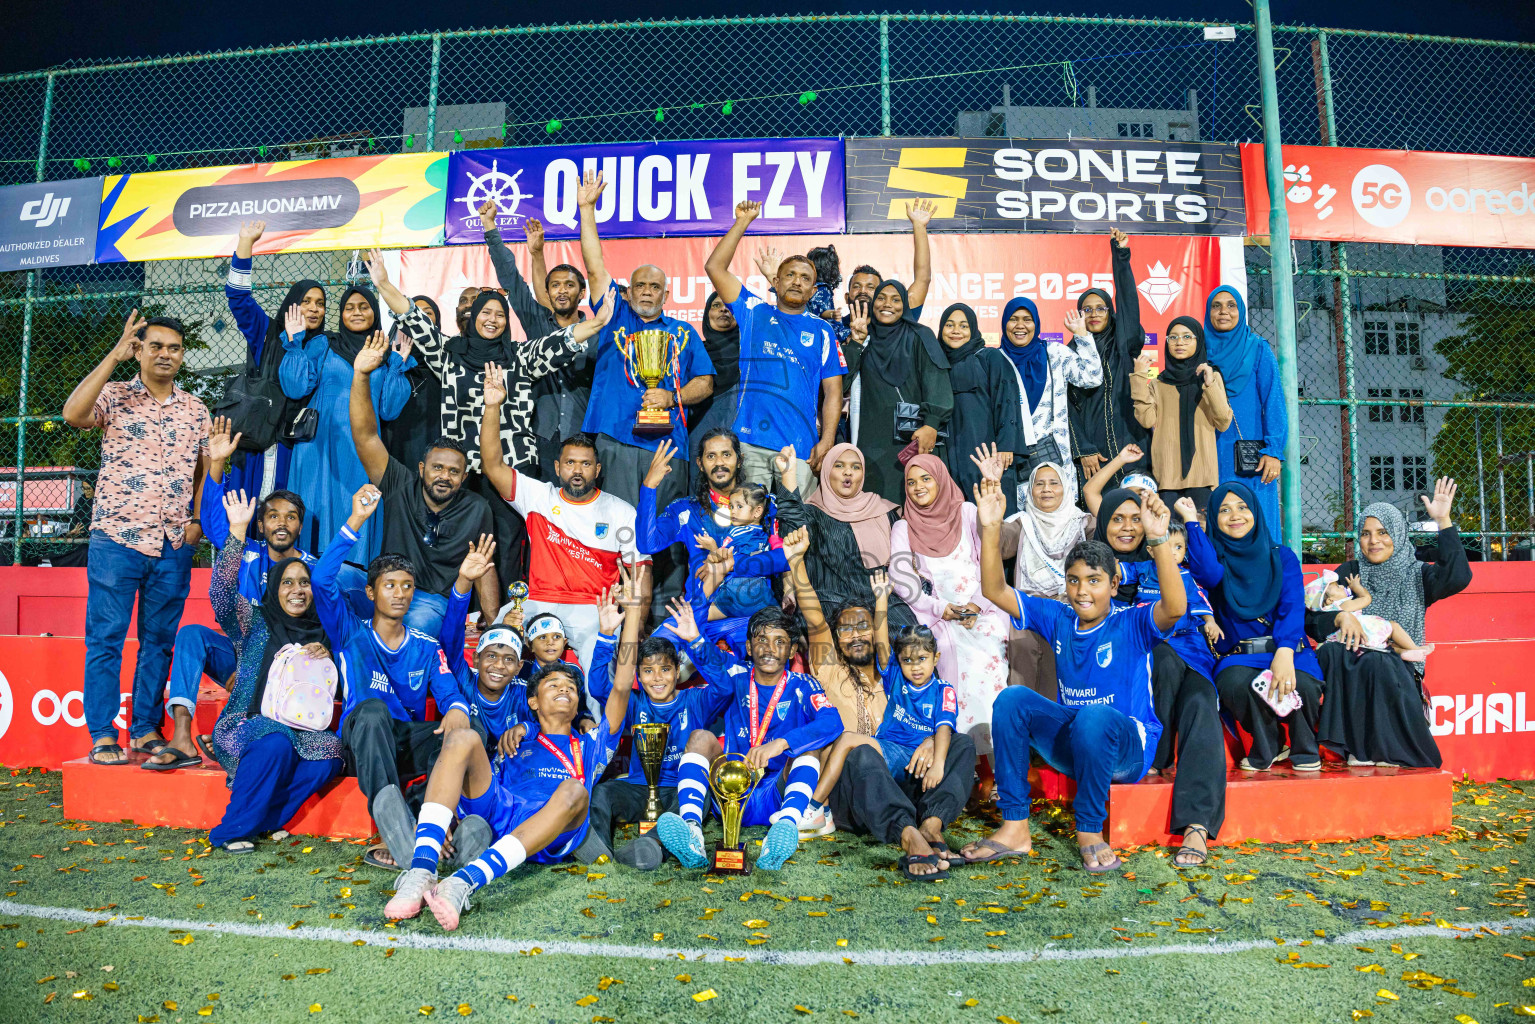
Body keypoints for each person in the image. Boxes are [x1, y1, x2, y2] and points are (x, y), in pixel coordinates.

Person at [384, 567, 643, 931]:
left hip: (552, 825)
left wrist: (632, 615)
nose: (564, 690)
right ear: (532, 701)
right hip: (501, 808)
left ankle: (464, 881)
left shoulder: (591, 743)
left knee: (574, 791)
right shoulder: (515, 735)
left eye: (571, 688)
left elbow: (622, 685)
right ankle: (422, 870)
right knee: (463, 738)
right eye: (553, 685)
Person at [970, 479, 1184, 872]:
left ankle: (1089, 828)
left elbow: (1174, 608)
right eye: (1074, 580)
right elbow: (994, 590)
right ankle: (1015, 826)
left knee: (1093, 716)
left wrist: (1158, 542)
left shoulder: (1132, 622)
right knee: (1012, 700)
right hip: (1075, 742)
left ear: (1114, 584)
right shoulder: (1059, 618)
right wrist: (990, 527)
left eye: (1094, 580)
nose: (1082, 591)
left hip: (1127, 751)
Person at [61, 310, 209, 767]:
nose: (166, 354)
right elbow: (73, 414)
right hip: (117, 538)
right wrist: (114, 355)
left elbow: (204, 469)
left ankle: (144, 729)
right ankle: (103, 733)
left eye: (174, 348)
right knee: (105, 640)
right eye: (156, 346)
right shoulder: (114, 394)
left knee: (159, 642)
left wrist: (196, 521)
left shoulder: (195, 409)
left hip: (172, 543)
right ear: (140, 350)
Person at [790, 531, 974, 877]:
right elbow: (814, 618)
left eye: (863, 626)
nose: (857, 634)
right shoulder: (830, 668)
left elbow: (936, 717)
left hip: (903, 780)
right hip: (855, 792)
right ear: (835, 640)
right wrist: (797, 561)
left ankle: (931, 825)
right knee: (862, 752)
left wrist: (933, 740)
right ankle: (908, 837)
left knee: (961, 743)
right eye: (845, 629)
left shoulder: (899, 675)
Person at [316, 484, 475, 871]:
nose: (400, 593)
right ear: (371, 593)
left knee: (467, 734)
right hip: (363, 742)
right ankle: (396, 831)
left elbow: (448, 689)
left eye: (407, 586)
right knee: (373, 711)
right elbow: (321, 580)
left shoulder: (425, 645)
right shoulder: (350, 632)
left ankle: (428, 816)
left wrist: (457, 708)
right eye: (390, 586)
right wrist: (355, 521)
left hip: (402, 741)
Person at [479, 362, 650, 673]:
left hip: (592, 608)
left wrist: (636, 627)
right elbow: (492, 465)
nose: (577, 470)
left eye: (585, 464)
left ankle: (598, 707)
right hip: (537, 602)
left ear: (597, 470)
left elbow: (640, 571)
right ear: (557, 468)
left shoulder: (621, 511)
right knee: (496, 641)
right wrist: (492, 407)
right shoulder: (537, 496)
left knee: (600, 674)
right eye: (570, 463)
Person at [652, 607, 844, 872]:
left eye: (780, 642)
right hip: (729, 790)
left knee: (807, 750)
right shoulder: (737, 675)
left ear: (791, 651)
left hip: (776, 794)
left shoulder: (803, 684)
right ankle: (692, 832)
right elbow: (714, 661)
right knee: (700, 738)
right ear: (749, 647)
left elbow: (832, 721)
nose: (769, 649)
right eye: (761, 640)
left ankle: (783, 829)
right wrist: (695, 639)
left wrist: (781, 743)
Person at [204, 490, 343, 851]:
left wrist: (328, 652)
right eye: (287, 582)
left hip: (299, 729)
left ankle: (267, 819)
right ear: (275, 587)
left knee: (331, 752)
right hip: (245, 724)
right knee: (276, 743)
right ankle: (231, 831)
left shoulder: (322, 632)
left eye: (304, 583)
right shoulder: (255, 621)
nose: (297, 590)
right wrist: (237, 531)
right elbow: (221, 595)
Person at [575, 170, 713, 507]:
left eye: (654, 287)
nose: (647, 291)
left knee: (664, 530)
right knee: (616, 527)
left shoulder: (683, 332)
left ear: (666, 295)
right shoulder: (614, 316)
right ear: (629, 291)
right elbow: (594, 267)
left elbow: (705, 383)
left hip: (668, 444)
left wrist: (672, 396)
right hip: (616, 438)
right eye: (640, 285)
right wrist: (587, 210)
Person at [346, 331, 498, 636]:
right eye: (437, 468)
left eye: (453, 472)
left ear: (464, 477)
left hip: (430, 601)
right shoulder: (400, 484)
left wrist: (496, 628)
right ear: (421, 468)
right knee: (334, 578)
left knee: (414, 626)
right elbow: (366, 436)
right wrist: (361, 375)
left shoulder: (476, 508)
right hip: (385, 587)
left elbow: (483, 565)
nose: (444, 476)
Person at [1308, 482, 1470, 768]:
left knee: (1377, 661)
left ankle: (1378, 749)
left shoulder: (1417, 574)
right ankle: (1355, 746)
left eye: (1383, 532)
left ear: (1398, 533)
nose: (1374, 541)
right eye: (1365, 534)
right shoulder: (1350, 573)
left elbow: (1457, 577)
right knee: (1332, 651)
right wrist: (1339, 617)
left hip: (1396, 662)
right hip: (1350, 659)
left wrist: (1443, 522)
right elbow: (1311, 619)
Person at [580, 596, 735, 869]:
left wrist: (696, 641)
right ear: (638, 676)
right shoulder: (634, 703)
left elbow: (724, 687)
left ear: (677, 672)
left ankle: (651, 846)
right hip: (639, 788)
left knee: (695, 800)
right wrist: (605, 636)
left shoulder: (694, 700)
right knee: (603, 792)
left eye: (665, 669)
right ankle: (598, 847)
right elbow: (599, 687)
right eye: (648, 671)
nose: (658, 678)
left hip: (679, 789)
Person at [704, 200, 844, 498]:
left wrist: (827, 439)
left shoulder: (823, 331)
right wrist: (742, 222)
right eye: (790, 275)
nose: (797, 282)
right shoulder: (753, 312)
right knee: (747, 519)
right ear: (776, 282)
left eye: (805, 278)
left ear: (813, 291)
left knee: (796, 522)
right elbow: (714, 267)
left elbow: (833, 392)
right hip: (750, 443)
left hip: (800, 447)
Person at [1187, 481, 1323, 773]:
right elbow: (1205, 573)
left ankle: (1305, 748)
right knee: (1235, 683)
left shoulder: (1282, 556)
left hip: (1288, 649)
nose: (1235, 515)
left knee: (1303, 685)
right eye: (1224, 510)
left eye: (1242, 507)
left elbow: (1292, 606)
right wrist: (1192, 525)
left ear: (1256, 512)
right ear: (1214, 518)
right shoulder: (1216, 561)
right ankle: (1269, 746)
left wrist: (1285, 651)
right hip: (1240, 656)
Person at [279, 281, 414, 562]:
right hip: (320, 448)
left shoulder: (385, 353)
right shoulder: (324, 345)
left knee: (356, 511)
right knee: (316, 508)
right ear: (341, 314)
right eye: (349, 308)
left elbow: (389, 410)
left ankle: (353, 577)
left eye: (364, 307)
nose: (356, 312)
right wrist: (295, 343)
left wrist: (397, 365)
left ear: (374, 312)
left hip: (361, 450)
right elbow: (295, 388)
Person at [889, 455, 1009, 767]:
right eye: (911, 482)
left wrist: (976, 604)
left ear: (941, 479)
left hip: (982, 606)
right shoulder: (903, 526)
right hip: (937, 615)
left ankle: (998, 764)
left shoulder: (966, 512)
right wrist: (941, 609)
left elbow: (990, 560)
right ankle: (964, 762)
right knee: (946, 650)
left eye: (926, 479)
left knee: (990, 651)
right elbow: (902, 581)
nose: (918, 487)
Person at [483, 209, 596, 481]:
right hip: (540, 437)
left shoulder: (596, 334)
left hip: (585, 437)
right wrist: (490, 229)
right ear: (547, 292)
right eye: (555, 285)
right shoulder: (538, 325)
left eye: (569, 285)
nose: (561, 290)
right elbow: (510, 278)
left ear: (582, 292)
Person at [773, 443, 917, 630]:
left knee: (911, 637)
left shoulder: (883, 510)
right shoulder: (812, 513)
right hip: (831, 602)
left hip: (881, 599)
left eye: (856, 467)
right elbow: (791, 531)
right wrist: (788, 474)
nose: (848, 472)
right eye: (839, 465)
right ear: (826, 471)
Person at [221, 220, 318, 497]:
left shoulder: (323, 345)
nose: (314, 309)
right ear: (292, 303)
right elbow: (238, 298)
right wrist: (245, 244)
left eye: (320, 303)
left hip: (303, 447)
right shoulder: (268, 332)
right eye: (306, 301)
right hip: (261, 443)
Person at [991, 456, 1094, 697]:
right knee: (1024, 667)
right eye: (1039, 483)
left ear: (1066, 488)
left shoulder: (1084, 523)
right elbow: (999, 546)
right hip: (1028, 607)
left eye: (1054, 483)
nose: (1046, 489)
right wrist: (992, 519)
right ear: (1030, 490)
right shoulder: (1022, 523)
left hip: (1070, 606)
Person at [843, 280, 953, 502]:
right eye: (881, 298)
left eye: (896, 300)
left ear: (905, 304)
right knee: (876, 504)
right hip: (872, 443)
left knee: (916, 502)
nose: (887, 304)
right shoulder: (864, 337)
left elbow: (936, 380)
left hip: (913, 438)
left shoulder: (920, 336)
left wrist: (931, 424)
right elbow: (842, 384)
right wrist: (855, 343)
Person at [997, 297, 1103, 503]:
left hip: (1054, 459)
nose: (1020, 325)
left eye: (1027, 319)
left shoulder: (1055, 353)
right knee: (1017, 520)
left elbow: (1091, 377)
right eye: (1013, 319)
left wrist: (1082, 335)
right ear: (1004, 323)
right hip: (1010, 464)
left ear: (1036, 323)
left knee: (1056, 517)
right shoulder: (995, 359)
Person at [1067, 228, 1151, 488]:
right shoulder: (1070, 354)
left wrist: (1121, 255)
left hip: (1132, 445)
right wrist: (1083, 448)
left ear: (1110, 312)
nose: (1094, 314)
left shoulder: (1124, 343)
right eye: (1087, 309)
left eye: (1101, 308)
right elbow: (1066, 408)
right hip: (1094, 454)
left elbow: (1128, 301)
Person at [1205, 287, 1286, 544]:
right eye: (1216, 306)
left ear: (1241, 311)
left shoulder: (1258, 348)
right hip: (1209, 454)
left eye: (1231, 305)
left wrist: (1273, 451)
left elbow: (1273, 401)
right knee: (1215, 523)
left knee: (1258, 524)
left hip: (1252, 457)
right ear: (1208, 312)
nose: (1224, 312)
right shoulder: (1199, 351)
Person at [1131, 316, 1231, 519]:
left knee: (1201, 533)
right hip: (1167, 478)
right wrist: (1140, 378)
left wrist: (1210, 385)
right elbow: (1146, 420)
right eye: (1173, 337)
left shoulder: (1210, 377)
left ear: (1198, 341)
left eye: (1187, 337)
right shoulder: (1158, 383)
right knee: (1169, 534)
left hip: (1202, 477)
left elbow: (1223, 422)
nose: (1179, 342)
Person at [938, 303, 1026, 516]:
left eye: (963, 326)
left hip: (988, 451)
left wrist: (1007, 444)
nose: (956, 331)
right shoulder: (937, 362)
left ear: (973, 329)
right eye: (949, 325)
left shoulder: (989, 357)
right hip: (950, 451)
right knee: (959, 515)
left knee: (995, 514)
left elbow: (1007, 399)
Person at [1305, 571, 1433, 661]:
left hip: (1352, 645)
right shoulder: (1343, 605)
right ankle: (1415, 648)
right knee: (1393, 626)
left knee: (1384, 646)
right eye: (1338, 587)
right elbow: (1366, 599)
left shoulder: (1327, 613)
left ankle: (1404, 653)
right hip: (1364, 631)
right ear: (1330, 600)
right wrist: (1357, 587)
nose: (1342, 586)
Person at [382, 296, 445, 474]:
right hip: (395, 450)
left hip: (435, 453)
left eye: (428, 313)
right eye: (415, 312)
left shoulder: (446, 364)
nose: (420, 317)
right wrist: (397, 364)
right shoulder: (385, 362)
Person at [684, 293, 741, 466]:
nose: (724, 309)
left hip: (742, 438)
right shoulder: (692, 352)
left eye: (729, 306)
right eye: (716, 305)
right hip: (698, 434)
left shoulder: (750, 353)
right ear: (707, 314)